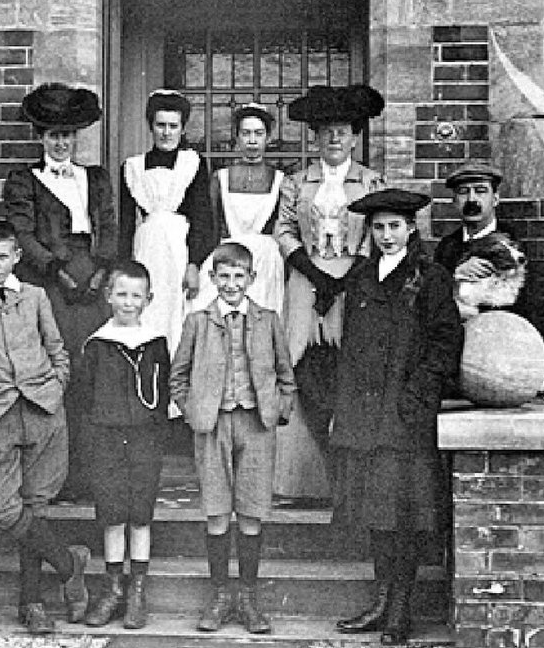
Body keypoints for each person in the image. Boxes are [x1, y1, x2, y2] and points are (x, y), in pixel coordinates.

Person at [328, 190, 463, 645]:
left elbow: (445, 344)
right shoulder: (361, 276)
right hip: (363, 417)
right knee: (375, 514)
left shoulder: (431, 278)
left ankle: (401, 607)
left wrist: (416, 398)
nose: (387, 236)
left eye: (395, 227)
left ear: (411, 229)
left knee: (403, 515)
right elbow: (349, 348)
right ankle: (382, 600)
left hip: (404, 418)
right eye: (379, 227)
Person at [0, 219, 89, 635]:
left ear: (16, 257)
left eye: (2, 256)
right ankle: (68, 562)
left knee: (36, 504)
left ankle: (32, 604)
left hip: (43, 409)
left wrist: (57, 384)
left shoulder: (37, 296)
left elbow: (57, 347)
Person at [170, 242, 296, 635]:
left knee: (252, 511)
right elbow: (178, 376)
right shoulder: (197, 321)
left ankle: (248, 596)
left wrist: (278, 410)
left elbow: (285, 374)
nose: (231, 284)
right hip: (212, 424)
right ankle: (220, 594)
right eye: (223, 276)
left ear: (252, 279)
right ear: (212, 279)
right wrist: (193, 410)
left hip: (256, 425)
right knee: (217, 511)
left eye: (239, 276)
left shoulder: (268, 320)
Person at [272, 83, 385, 500]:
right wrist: (311, 273)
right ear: (315, 138)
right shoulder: (297, 183)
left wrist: (342, 279)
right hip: (305, 278)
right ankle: (299, 479)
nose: (334, 139)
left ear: (355, 136)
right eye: (326, 132)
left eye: (342, 131)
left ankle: (347, 479)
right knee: (296, 362)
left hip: (352, 281)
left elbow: (376, 236)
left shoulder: (370, 181)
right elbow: (283, 229)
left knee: (347, 362)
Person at [3, 82, 116, 502]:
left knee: (92, 373)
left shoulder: (96, 178)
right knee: (56, 373)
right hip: (50, 281)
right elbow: (23, 234)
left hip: (93, 280)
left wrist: (101, 272)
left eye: (67, 135)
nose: (62, 143)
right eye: (54, 135)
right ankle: (55, 479)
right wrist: (58, 272)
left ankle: (91, 477)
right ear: (42, 137)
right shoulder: (24, 181)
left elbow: (108, 224)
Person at [79, 260, 171, 630]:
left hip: (145, 438)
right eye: (121, 294)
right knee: (113, 512)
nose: (128, 302)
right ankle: (113, 588)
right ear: (108, 296)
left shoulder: (156, 343)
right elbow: (85, 398)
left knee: (140, 513)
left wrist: (155, 431)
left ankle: (137, 590)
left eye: (136, 295)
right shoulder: (97, 345)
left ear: (148, 299)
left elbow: (162, 395)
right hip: (106, 437)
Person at [119, 89, 212, 357]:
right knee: (148, 309)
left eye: (174, 126)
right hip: (147, 248)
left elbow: (202, 218)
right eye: (161, 125)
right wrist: (125, 269)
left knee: (178, 313)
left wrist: (194, 263)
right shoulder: (133, 167)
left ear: (182, 129)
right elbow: (126, 224)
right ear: (151, 126)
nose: (167, 133)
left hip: (179, 251)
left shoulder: (192, 163)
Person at [189, 102, 286, 314]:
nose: (252, 141)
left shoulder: (280, 180)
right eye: (246, 133)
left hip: (265, 261)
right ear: (237, 137)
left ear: (268, 138)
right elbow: (211, 228)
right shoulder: (220, 178)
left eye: (259, 133)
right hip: (228, 257)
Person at [432, 161, 508, 277]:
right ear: (455, 201)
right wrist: (456, 273)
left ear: (495, 199)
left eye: (480, 191)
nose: (471, 199)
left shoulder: (513, 243)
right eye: (463, 192)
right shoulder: (446, 247)